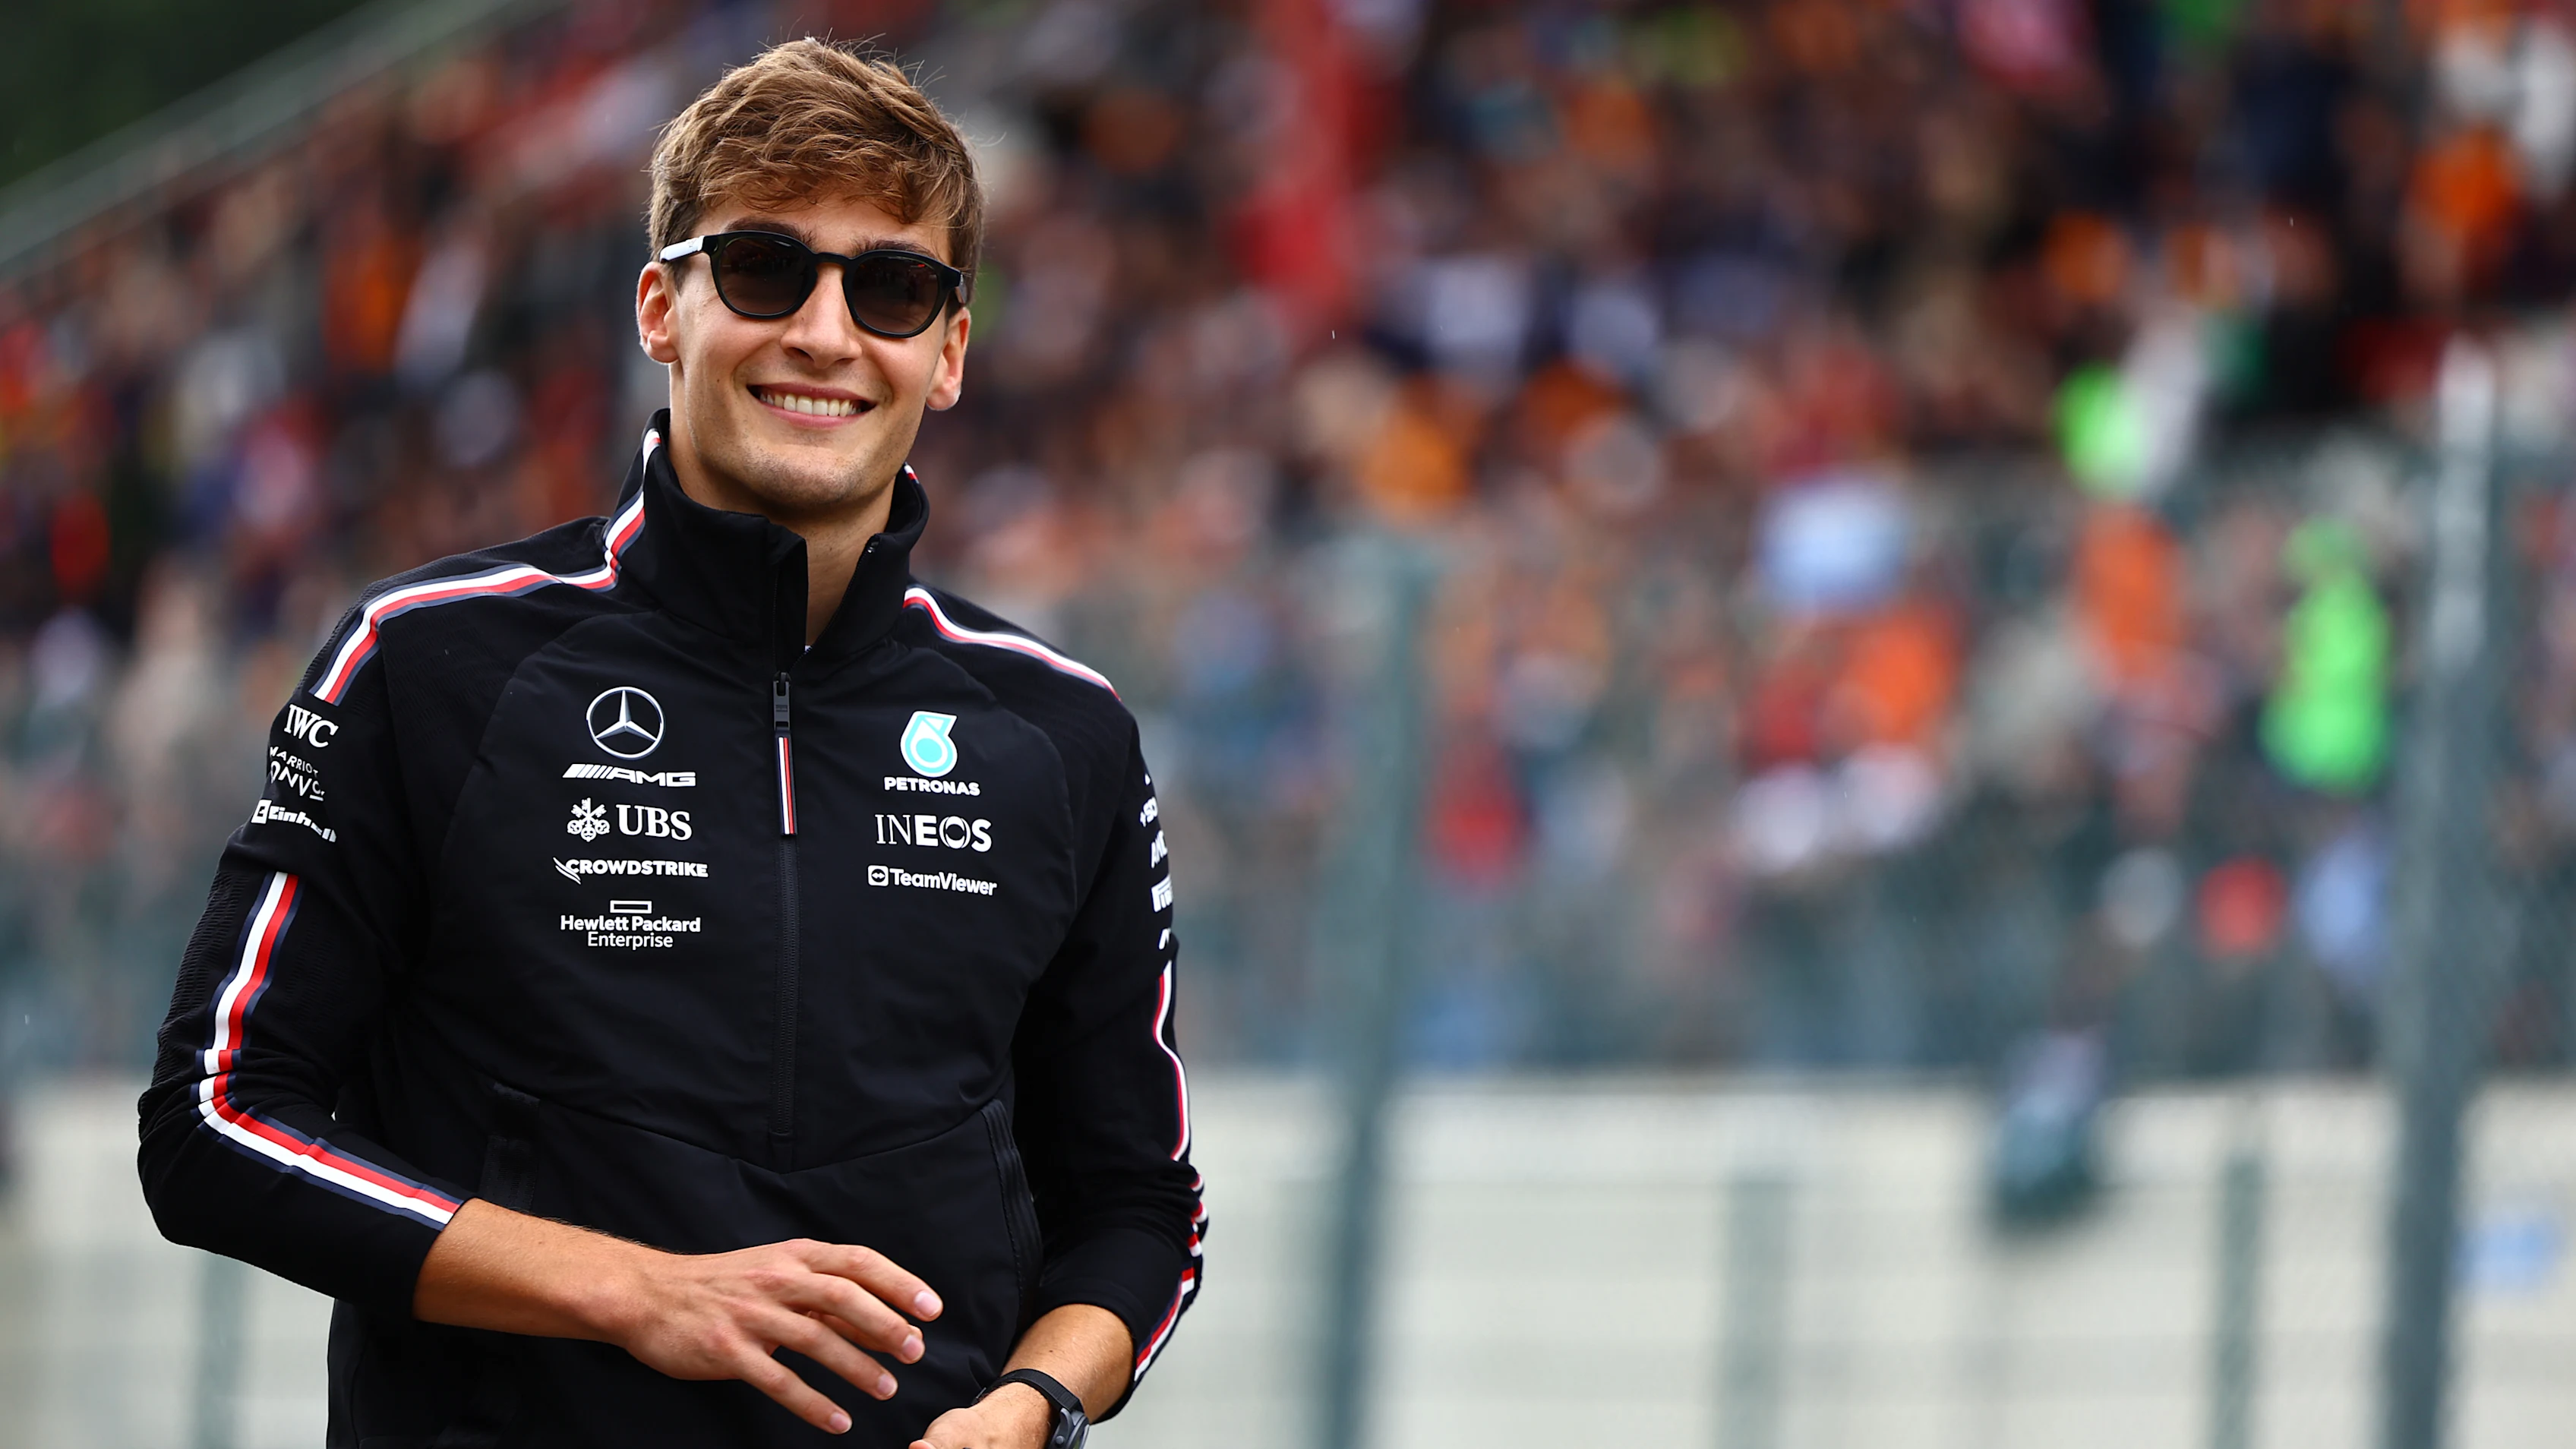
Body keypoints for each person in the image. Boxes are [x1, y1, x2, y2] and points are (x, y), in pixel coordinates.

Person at [136, 40, 1202, 1448]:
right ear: (662, 306)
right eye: (765, 269)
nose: (826, 333)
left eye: (890, 288)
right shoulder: (427, 659)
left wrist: (1034, 1405)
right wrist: (633, 1293)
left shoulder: (1062, 731)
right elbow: (212, 1126)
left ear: (949, 350)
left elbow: (1138, 1214)